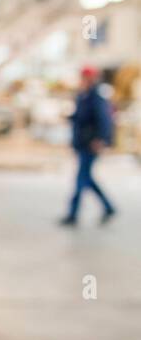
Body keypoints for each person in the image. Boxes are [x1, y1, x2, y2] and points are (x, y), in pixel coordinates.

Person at [60, 66, 117, 226]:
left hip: (91, 144)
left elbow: (105, 120)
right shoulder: (82, 96)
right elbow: (81, 117)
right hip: (81, 142)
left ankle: (73, 214)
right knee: (87, 179)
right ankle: (108, 207)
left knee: (81, 179)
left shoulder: (97, 97)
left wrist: (101, 139)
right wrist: (70, 117)